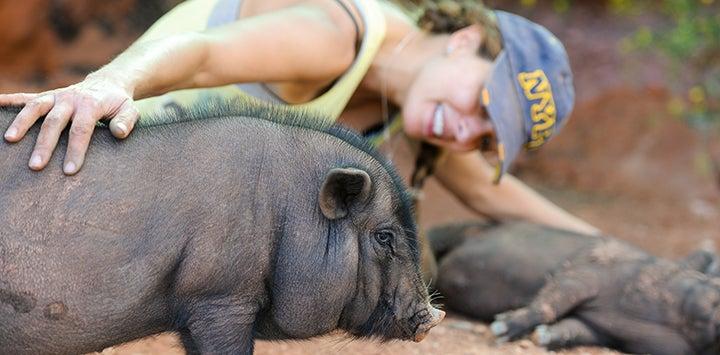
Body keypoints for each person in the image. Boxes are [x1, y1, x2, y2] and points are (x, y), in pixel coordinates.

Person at [0, 0, 599, 238]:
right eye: (483, 106)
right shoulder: (340, 34)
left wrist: (611, 251)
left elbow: (499, 200)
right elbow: (206, 56)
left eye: (487, 138)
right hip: (90, 154)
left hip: (142, 205)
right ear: (465, 41)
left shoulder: (419, 113)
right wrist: (109, 82)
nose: (466, 131)